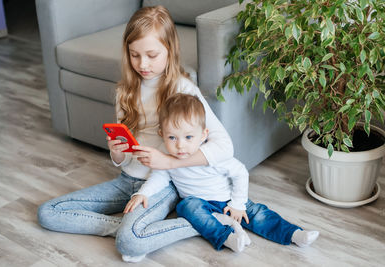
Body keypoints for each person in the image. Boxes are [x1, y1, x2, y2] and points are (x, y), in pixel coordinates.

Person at [37, 5, 233, 263]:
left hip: (163, 184)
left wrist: (170, 162)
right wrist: (116, 153)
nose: (143, 64)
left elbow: (225, 146)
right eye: (135, 55)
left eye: (152, 55)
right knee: (48, 213)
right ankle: (128, 229)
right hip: (127, 180)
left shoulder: (183, 89)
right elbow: (124, 158)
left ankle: (207, 224)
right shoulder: (125, 92)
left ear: (169, 51)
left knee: (129, 243)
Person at [124, 93, 320, 255]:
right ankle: (226, 237)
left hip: (226, 200)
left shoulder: (211, 155)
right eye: (172, 137)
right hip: (198, 203)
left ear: (203, 135)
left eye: (188, 137)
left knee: (257, 215)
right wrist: (143, 193)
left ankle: (294, 234)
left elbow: (240, 173)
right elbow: (158, 177)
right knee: (186, 207)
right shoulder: (166, 158)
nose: (180, 145)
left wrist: (237, 204)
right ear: (162, 135)